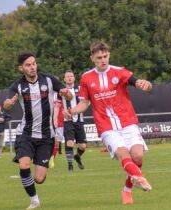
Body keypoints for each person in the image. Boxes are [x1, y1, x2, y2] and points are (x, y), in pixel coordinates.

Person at [64, 41, 152, 205]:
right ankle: (138, 179)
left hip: (127, 121)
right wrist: (71, 111)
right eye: (99, 57)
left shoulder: (119, 72)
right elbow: (84, 103)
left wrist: (146, 85)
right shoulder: (86, 78)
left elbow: (138, 82)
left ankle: (127, 187)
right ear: (92, 58)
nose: (103, 60)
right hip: (106, 126)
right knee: (123, 154)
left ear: (108, 55)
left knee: (138, 156)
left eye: (105, 56)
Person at [3, 51, 72, 209]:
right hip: (25, 133)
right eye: (28, 65)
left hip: (46, 135)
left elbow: (68, 96)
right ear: (21, 68)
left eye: (34, 63)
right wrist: (9, 102)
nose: (33, 67)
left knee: (39, 178)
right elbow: (6, 104)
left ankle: (39, 167)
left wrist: (65, 93)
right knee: (24, 164)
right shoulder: (18, 85)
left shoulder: (48, 80)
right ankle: (34, 200)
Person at [57, 70, 87, 172]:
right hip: (68, 120)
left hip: (79, 119)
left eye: (71, 76)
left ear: (74, 78)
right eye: (67, 76)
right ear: (64, 79)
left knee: (83, 146)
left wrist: (82, 108)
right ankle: (70, 166)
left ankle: (77, 156)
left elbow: (87, 102)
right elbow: (56, 104)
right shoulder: (61, 91)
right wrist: (62, 111)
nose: (69, 78)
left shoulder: (80, 89)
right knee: (69, 142)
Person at [50, 93, 65, 169]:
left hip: (59, 122)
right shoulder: (46, 92)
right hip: (48, 122)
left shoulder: (61, 93)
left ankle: (52, 158)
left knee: (57, 142)